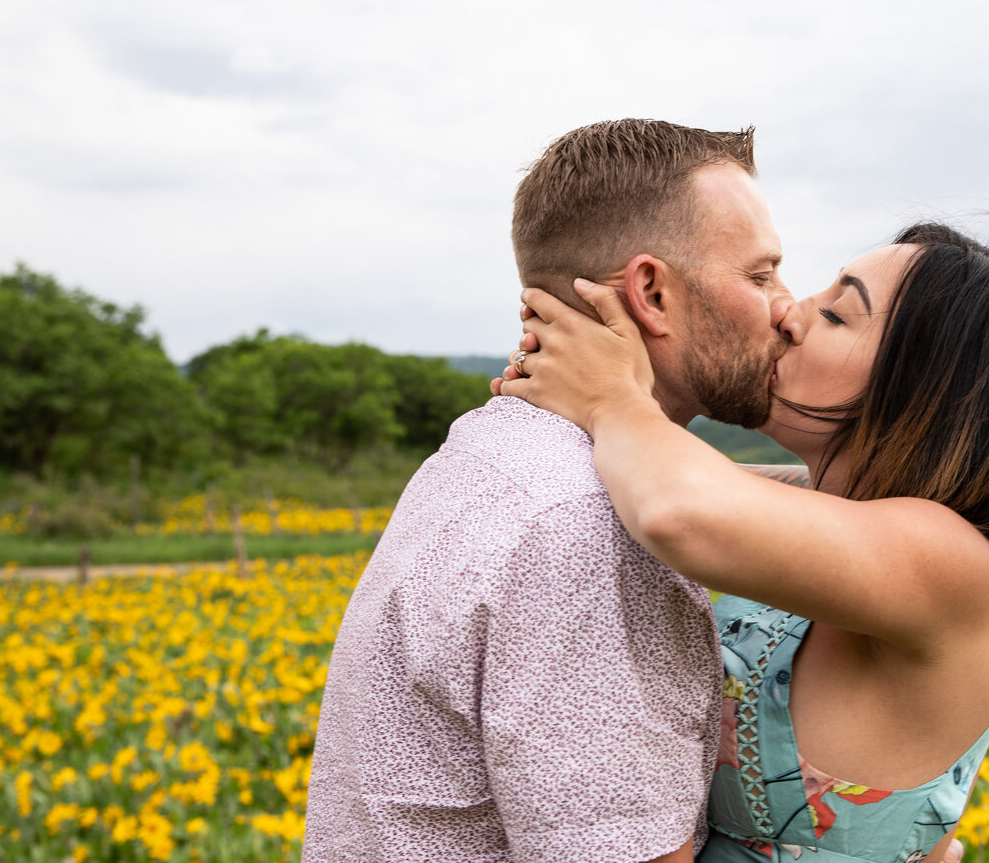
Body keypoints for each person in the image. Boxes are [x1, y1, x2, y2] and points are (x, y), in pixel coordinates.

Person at [496, 221, 989, 862]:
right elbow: (658, 477)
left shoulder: (955, 564)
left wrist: (611, 397)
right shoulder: (829, 507)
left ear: (929, 389)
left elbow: (678, 507)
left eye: (836, 314)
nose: (788, 312)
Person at [303, 119, 795, 863]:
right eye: (760, 276)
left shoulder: (495, 455)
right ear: (652, 292)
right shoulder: (590, 526)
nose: (787, 307)